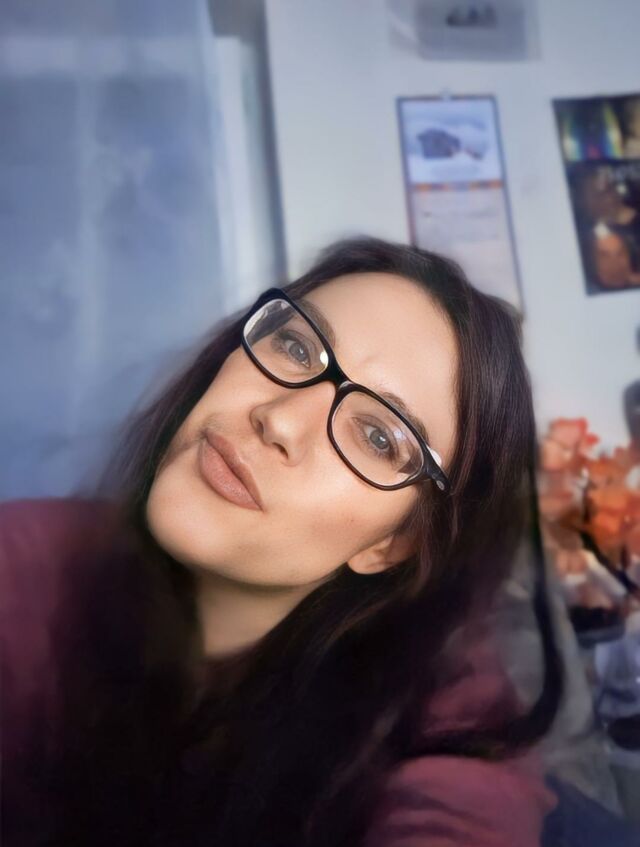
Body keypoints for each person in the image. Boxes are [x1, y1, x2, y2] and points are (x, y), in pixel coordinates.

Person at [1, 238, 563, 846]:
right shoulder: (29, 564)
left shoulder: (458, 721)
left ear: (392, 545)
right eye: (296, 346)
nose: (280, 418)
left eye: (378, 436)